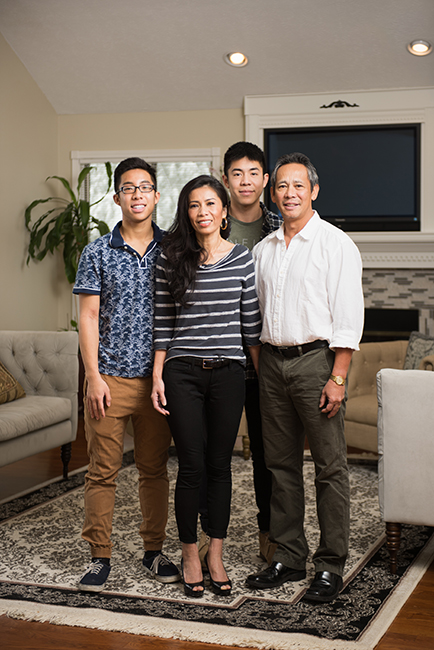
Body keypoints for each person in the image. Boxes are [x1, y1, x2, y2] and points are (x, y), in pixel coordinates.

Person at [246, 153, 364, 603]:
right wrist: (262, 366)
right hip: (272, 364)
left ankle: (330, 565)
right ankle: (289, 556)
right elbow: (254, 314)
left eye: (298, 185)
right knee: (280, 466)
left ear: (313, 191)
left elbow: (349, 318)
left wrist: (338, 377)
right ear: (273, 194)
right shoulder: (264, 249)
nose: (289, 193)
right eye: (281, 186)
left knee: (330, 469)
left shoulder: (336, 244)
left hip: (318, 363)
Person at [151, 175, 261, 598]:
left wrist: (261, 379)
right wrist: (158, 375)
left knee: (220, 465)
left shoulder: (243, 259)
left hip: (230, 373)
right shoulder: (171, 256)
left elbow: (250, 325)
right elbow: (163, 321)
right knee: (192, 466)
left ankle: (216, 551)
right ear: (187, 211)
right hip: (181, 372)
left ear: (224, 210)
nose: (202, 212)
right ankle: (190, 553)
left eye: (210, 204)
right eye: (194, 205)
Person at [73, 157, 180, 592]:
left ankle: (153, 551)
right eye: (128, 187)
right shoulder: (96, 251)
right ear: (117, 197)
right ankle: (100, 556)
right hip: (109, 380)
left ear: (157, 196)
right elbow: (88, 317)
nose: (137, 194)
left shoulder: (175, 249)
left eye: (146, 187)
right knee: (102, 471)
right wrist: (93, 376)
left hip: (158, 382)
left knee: (154, 470)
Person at [222, 141, 282, 564]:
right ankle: (211, 537)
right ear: (225, 178)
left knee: (269, 454)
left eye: (253, 173)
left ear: (266, 180)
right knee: (212, 456)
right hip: (219, 359)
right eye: (236, 173)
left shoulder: (284, 224)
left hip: (267, 364)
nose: (245, 181)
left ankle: (270, 532)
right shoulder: (205, 222)